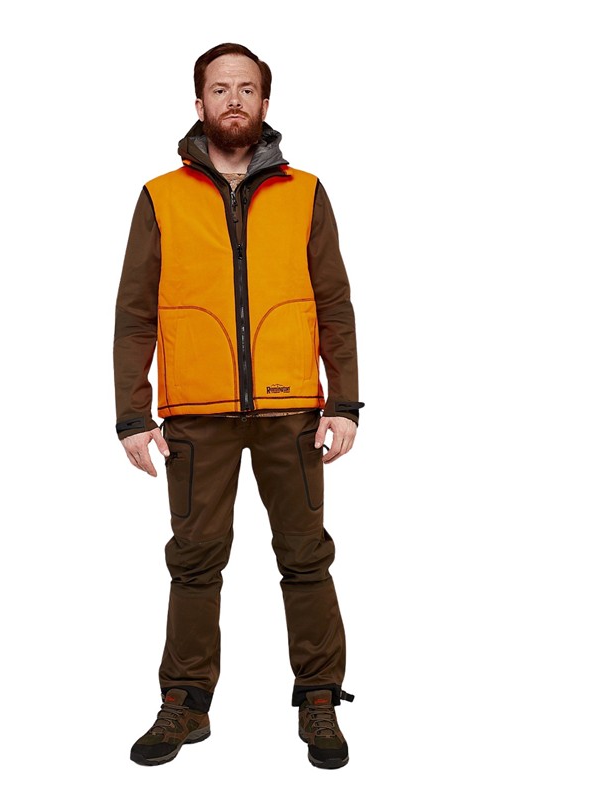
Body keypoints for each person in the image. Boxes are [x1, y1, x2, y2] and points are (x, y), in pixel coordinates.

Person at [113, 42, 363, 770]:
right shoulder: (161, 196)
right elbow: (135, 311)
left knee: (306, 557)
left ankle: (319, 697)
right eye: (219, 89)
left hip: (294, 411)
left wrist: (344, 401)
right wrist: (133, 412)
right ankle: (185, 703)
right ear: (199, 104)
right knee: (194, 562)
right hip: (195, 415)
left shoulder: (306, 192)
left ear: (264, 102)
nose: (233, 100)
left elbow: (335, 303)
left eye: (246, 88)